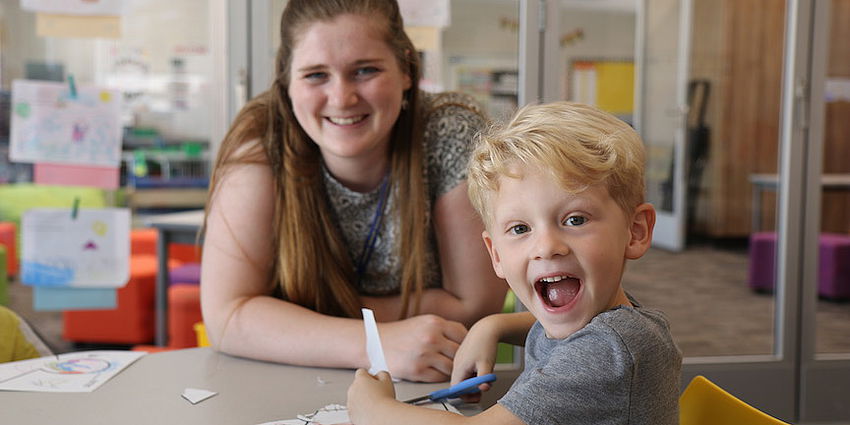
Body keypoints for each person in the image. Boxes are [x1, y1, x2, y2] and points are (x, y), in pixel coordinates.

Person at [200, 0, 506, 383]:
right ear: (286, 81)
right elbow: (227, 319)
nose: (342, 98)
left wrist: (290, 317)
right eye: (315, 75)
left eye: (365, 70)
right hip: (283, 379)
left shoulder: (451, 133)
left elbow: (474, 305)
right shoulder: (261, 142)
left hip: (425, 384)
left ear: (407, 69)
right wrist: (375, 343)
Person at [347, 101, 683, 424]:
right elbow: (570, 336)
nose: (547, 247)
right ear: (496, 255)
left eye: (576, 220)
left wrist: (372, 410)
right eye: (520, 228)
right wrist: (494, 326)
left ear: (635, 231)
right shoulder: (615, 327)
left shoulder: (609, 353)